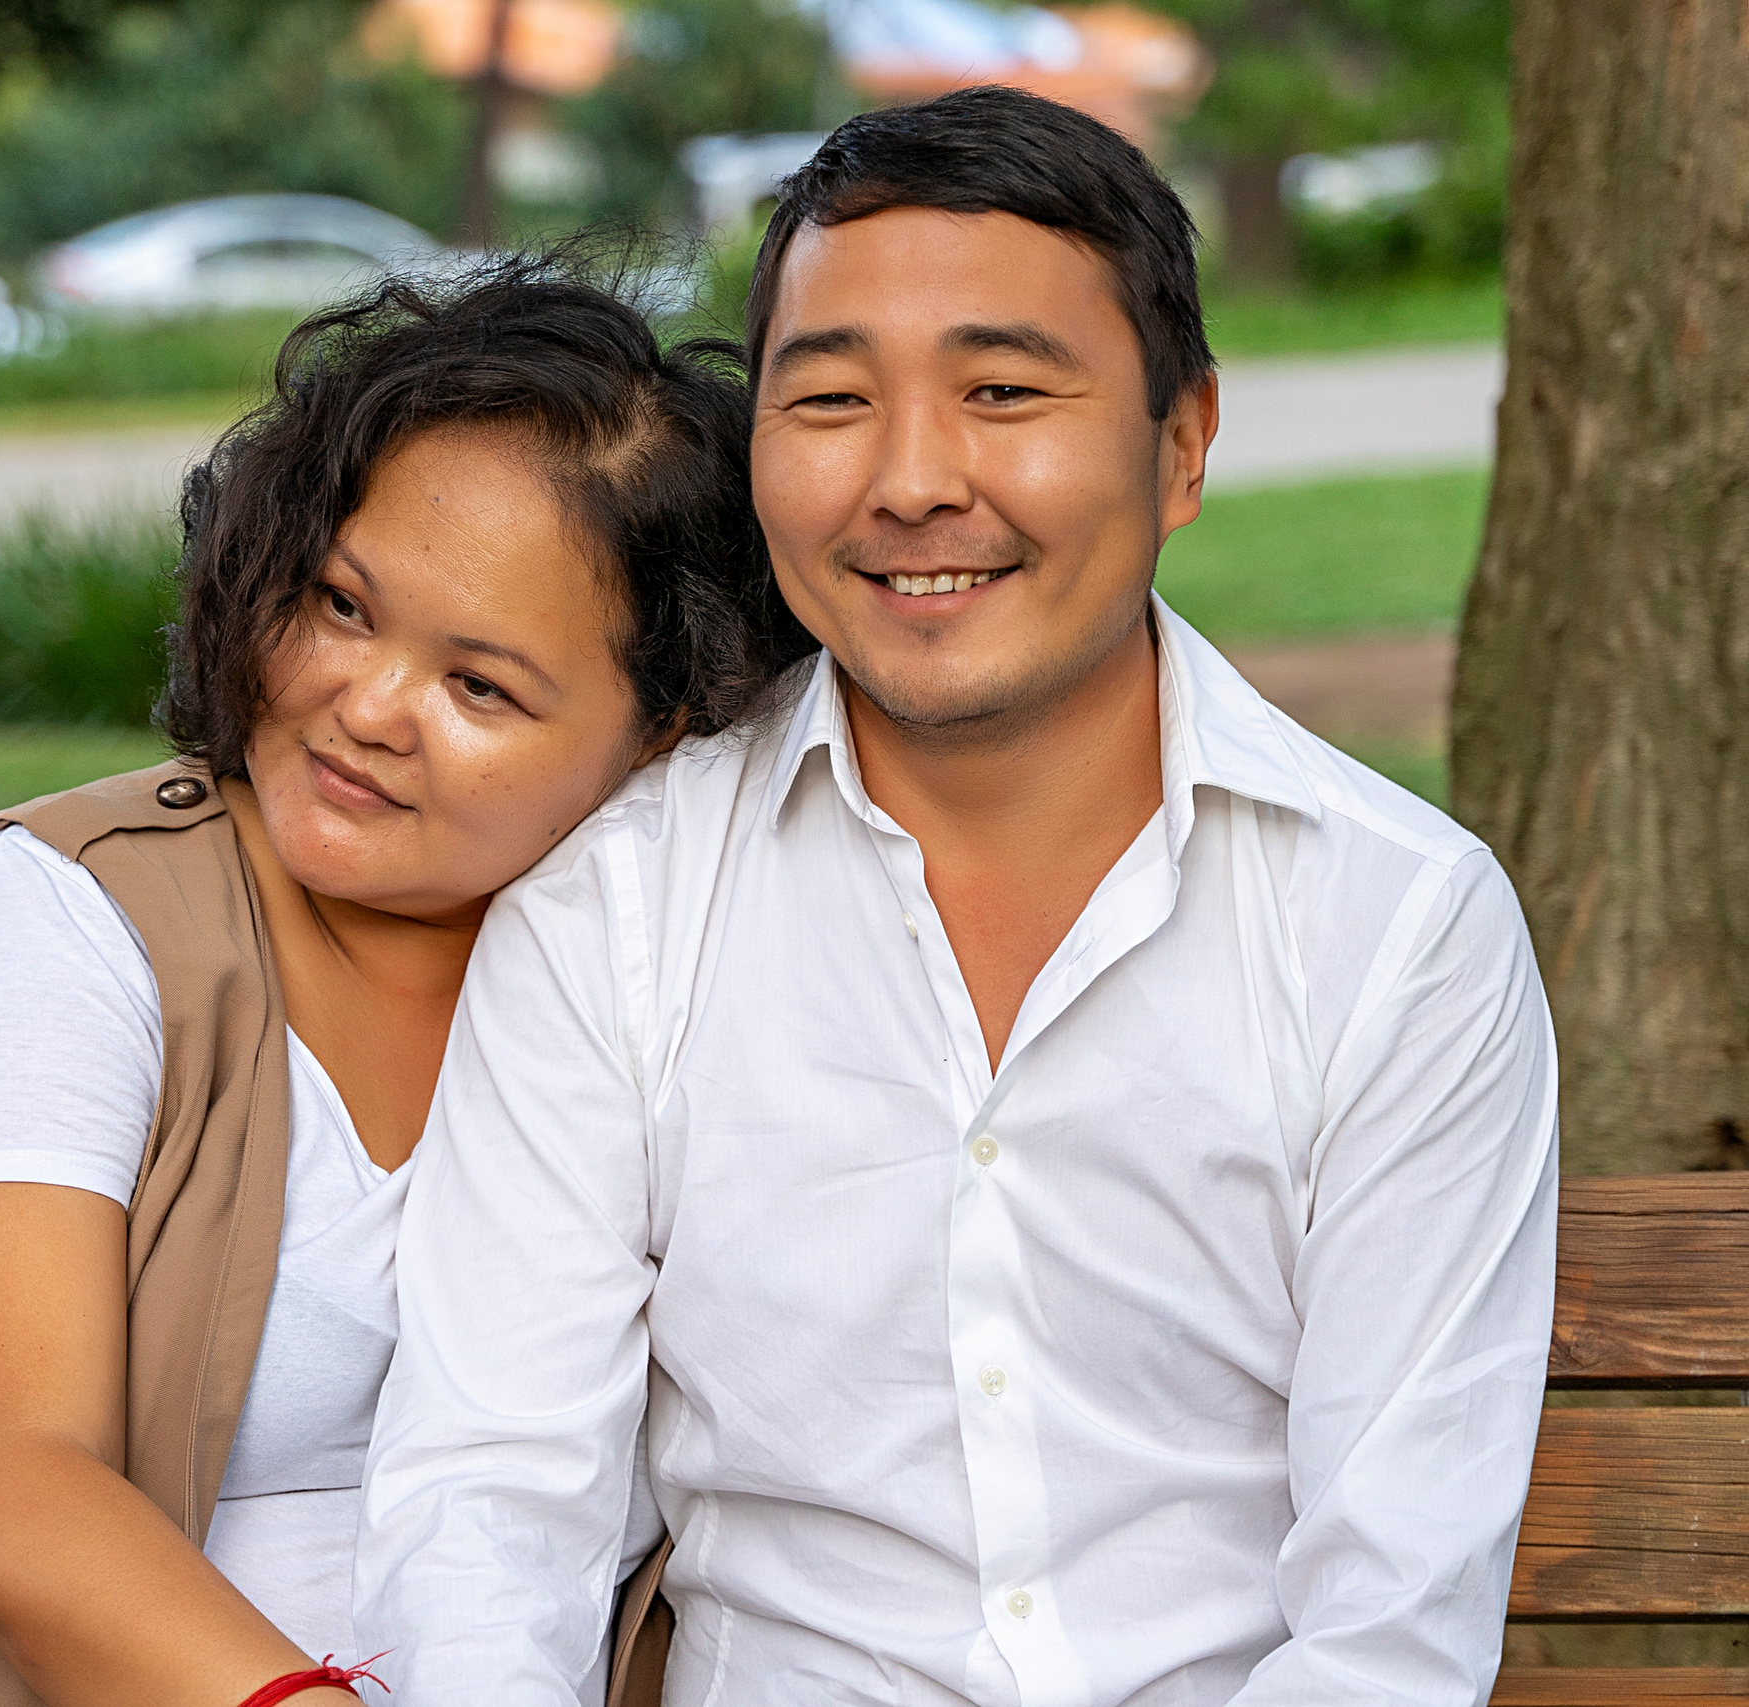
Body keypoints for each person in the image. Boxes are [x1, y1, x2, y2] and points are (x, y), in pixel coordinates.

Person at [356, 87, 1559, 1706]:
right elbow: (489, 1507)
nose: (912, 483)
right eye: (833, 401)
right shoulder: (616, 915)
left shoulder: (1395, 928)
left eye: (1002, 390)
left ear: (1183, 441)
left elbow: (1390, 1622)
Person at [0, 259, 807, 1707]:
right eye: (344, 606)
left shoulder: (650, 988)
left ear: (665, 734)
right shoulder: (60, 924)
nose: (365, 707)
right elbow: (12, 1499)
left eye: (479, 687)